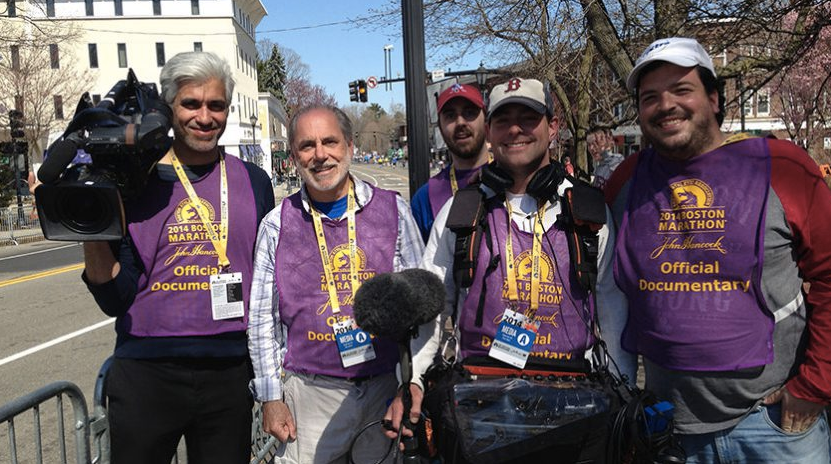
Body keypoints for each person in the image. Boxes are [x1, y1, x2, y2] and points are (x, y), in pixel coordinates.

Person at [606, 37, 831, 462]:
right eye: (650, 97)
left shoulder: (783, 168)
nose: (665, 105)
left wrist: (815, 387)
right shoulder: (626, 181)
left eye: (681, 90)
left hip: (773, 424)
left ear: (713, 98)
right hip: (670, 431)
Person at [385, 77, 632, 462]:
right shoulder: (461, 211)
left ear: (553, 126)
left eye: (528, 117)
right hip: (479, 408)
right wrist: (414, 380)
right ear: (490, 132)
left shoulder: (589, 211)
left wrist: (625, 390)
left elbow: (612, 305)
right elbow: (434, 304)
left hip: (574, 408)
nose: (515, 129)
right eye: (503, 120)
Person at [81, 51, 275, 464]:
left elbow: (268, 284)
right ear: (170, 108)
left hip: (228, 372)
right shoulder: (136, 179)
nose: (205, 117)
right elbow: (115, 296)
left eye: (216, 105)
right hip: (146, 372)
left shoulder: (255, 182)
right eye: (191, 104)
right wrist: (88, 220)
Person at [247, 105, 424, 463]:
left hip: (381, 389)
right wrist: (270, 397)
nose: (320, 155)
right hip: (309, 395)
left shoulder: (393, 210)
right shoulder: (276, 224)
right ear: (294, 156)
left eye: (330, 141)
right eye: (307, 145)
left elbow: (419, 309)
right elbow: (261, 321)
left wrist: (412, 383)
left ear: (350, 146)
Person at [411, 83, 492, 242]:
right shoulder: (425, 198)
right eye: (450, 115)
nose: (460, 122)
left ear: (486, 122)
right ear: (440, 128)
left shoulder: (512, 179)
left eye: (470, 113)